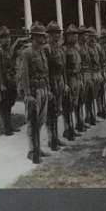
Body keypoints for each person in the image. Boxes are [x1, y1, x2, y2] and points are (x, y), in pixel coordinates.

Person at [20, 21, 52, 163]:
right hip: (33, 92)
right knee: (32, 123)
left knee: (40, 122)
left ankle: (38, 148)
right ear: (34, 37)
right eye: (40, 35)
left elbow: (46, 72)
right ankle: (32, 151)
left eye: (44, 35)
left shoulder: (43, 51)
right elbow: (24, 74)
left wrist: (48, 89)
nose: (44, 38)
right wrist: (27, 94)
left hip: (43, 90)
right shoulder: (27, 52)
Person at [0, 26, 20, 136]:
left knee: (9, 104)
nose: (7, 40)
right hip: (2, 83)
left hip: (10, 82)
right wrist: (1, 83)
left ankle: (10, 126)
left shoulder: (9, 51)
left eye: (8, 37)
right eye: (5, 38)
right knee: (3, 106)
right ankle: (5, 129)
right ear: (1, 39)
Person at [44, 21, 69, 151]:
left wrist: (64, 83)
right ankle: (50, 138)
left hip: (59, 82)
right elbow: (45, 70)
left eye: (58, 33)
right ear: (49, 35)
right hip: (51, 83)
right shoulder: (47, 48)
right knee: (50, 112)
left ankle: (56, 137)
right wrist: (48, 88)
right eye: (54, 33)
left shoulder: (59, 49)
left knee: (57, 111)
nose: (57, 36)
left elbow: (63, 68)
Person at [61, 24, 81, 141]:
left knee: (74, 104)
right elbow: (63, 69)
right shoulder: (64, 49)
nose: (76, 37)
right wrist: (65, 83)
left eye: (77, 34)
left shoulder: (75, 49)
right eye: (73, 35)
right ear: (68, 36)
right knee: (67, 106)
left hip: (77, 79)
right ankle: (67, 129)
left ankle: (72, 128)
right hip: (69, 80)